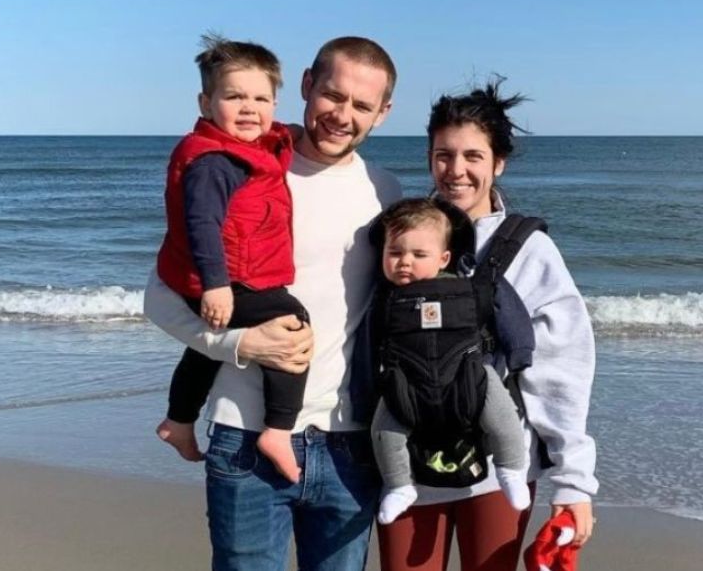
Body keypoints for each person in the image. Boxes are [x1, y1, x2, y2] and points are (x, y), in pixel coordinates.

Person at [145, 37, 402, 571]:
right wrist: (239, 342)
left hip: (349, 443)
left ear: (383, 112)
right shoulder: (242, 166)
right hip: (244, 437)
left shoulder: (386, 194)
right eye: (333, 95)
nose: (342, 115)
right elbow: (161, 298)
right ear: (307, 85)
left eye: (361, 105)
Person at [377, 80, 598, 571]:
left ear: (498, 162)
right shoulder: (403, 240)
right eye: (443, 155)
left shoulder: (527, 250)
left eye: (473, 156)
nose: (456, 171)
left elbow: (563, 367)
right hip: (407, 468)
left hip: (501, 469)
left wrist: (573, 481)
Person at [154, 33, 307, 483]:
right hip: (227, 279)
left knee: (206, 350)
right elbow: (201, 223)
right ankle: (278, 430)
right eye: (234, 96)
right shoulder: (214, 162)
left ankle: (178, 420)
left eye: (261, 98)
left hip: (233, 276)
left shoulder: (253, 149)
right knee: (292, 321)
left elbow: (282, 138)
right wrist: (216, 284)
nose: (249, 108)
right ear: (205, 103)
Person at [370, 197, 532, 525]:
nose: (404, 262)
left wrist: (520, 354)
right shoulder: (384, 297)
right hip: (407, 382)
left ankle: (511, 468)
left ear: (444, 257)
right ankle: (400, 485)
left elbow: (510, 312)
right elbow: (368, 343)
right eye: (395, 253)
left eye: (418, 255)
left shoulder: (468, 286)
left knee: (502, 415)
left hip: (467, 374)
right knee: (384, 429)